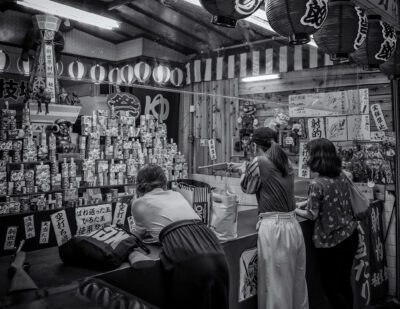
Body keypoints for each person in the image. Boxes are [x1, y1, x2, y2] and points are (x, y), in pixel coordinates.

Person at [230, 127, 308, 309]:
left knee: (276, 291)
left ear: (256, 144)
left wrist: (244, 171)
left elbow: (247, 187)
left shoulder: (259, 161)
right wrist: (245, 168)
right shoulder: (285, 161)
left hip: (274, 228)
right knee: (297, 288)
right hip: (292, 225)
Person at [131, 164, 229, 309]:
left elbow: (136, 235)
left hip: (185, 250)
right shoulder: (176, 194)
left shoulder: (138, 204)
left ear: (140, 184)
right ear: (164, 181)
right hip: (212, 243)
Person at [295, 138, 358, 309]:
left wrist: (293, 210)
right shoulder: (343, 175)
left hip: (331, 242)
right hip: (351, 235)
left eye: (309, 153)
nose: (307, 156)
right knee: (344, 283)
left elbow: (311, 214)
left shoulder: (317, 183)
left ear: (317, 157)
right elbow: (331, 198)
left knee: (330, 287)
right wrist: (306, 202)